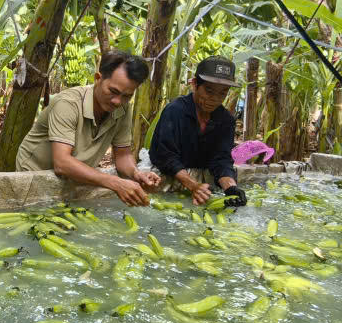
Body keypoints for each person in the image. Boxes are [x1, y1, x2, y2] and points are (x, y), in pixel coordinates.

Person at [15, 50, 162, 206]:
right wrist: (115, 182)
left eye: (127, 96)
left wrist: (136, 173)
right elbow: (62, 163)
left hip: (75, 176)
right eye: (113, 91)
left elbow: (123, 155)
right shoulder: (68, 104)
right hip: (35, 175)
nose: (117, 101)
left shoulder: (122, 109)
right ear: (98, 78)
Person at [149, 56, 247, 207]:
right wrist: (192, 185)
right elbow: (165, 156)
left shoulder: (226, 120)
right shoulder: (175, 111)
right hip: (169, 175)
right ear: (194, 84)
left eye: (222, 93)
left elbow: (221, 160)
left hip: (202, 183)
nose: (215, 99)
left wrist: (231, 187)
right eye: (209, 91)